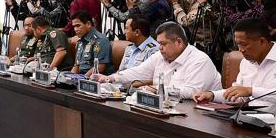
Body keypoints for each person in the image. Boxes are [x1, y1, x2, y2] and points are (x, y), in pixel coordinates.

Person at [195, 18, 276, 110]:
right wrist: (212, 95)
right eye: (238, 45)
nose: (240, 50)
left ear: (262, 41)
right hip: (254, 121)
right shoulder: (246, 62)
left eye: (243, 44)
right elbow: (239, 95)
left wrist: (252, 91)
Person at [93, 22, 221, 99]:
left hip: (198, 118)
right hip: (168, 110)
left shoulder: (199, 60)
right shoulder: (161, 55)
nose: (159, 47)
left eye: (163, 43)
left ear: (179, 42)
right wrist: (111, 78)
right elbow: (138, 72)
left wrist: (158, 90)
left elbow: (192, 92)